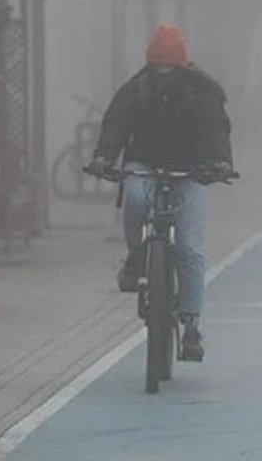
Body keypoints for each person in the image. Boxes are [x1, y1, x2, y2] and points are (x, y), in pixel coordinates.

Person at [87, 24, 234, 362]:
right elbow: (115, 125)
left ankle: (192, 325)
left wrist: (220, 163)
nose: (164, 71)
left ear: (182, 65)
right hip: (144, 166)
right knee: (136, 198)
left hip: (191, 172)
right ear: (150, 65)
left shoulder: (203, 93)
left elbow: (216, 131)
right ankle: (137, 255)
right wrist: (104, 157)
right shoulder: (135, 89)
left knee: (190, 248)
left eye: (170, 65)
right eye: (158, 65)